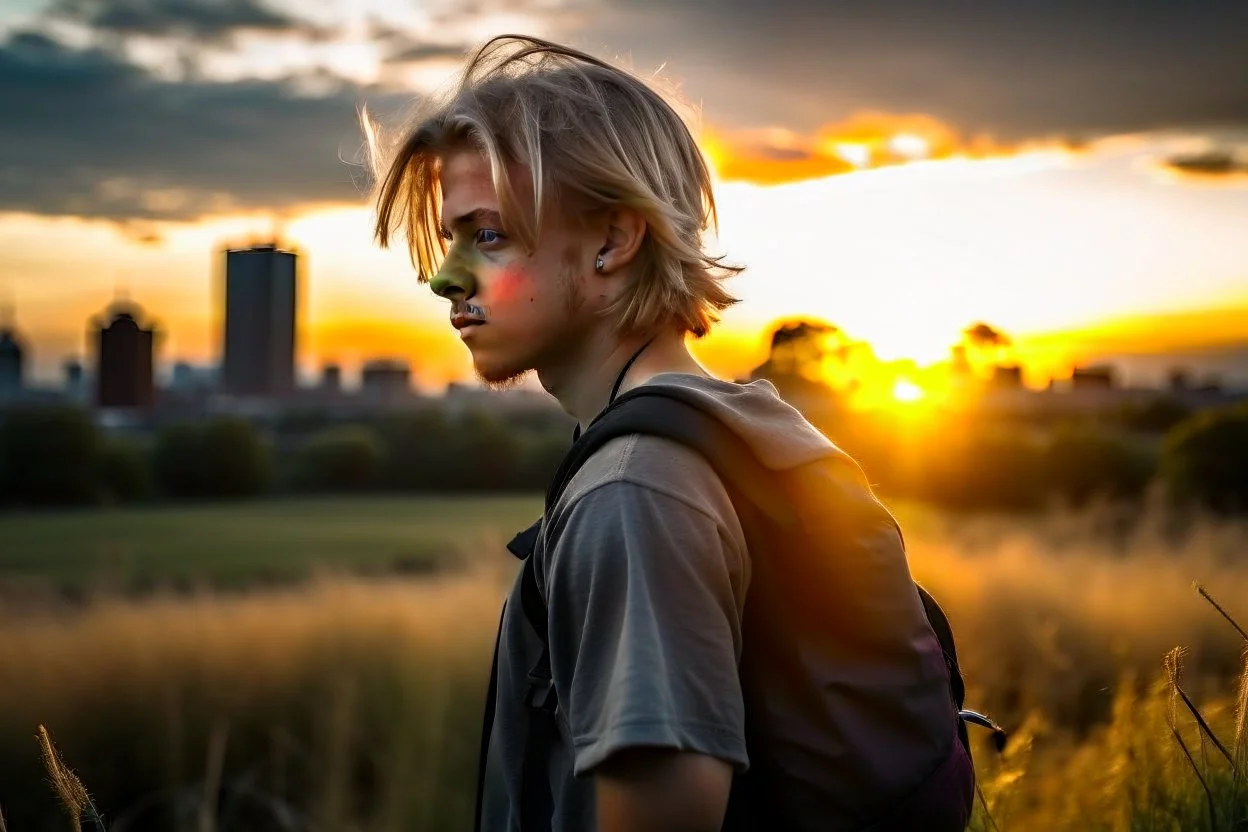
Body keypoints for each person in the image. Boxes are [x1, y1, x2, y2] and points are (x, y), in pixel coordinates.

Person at [365, 34, 973, 832]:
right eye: (450, 239)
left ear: (615, 240)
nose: (445, 277)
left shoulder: (635, 491)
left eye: (488, 236)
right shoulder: (735, 427)